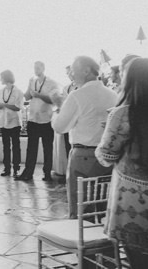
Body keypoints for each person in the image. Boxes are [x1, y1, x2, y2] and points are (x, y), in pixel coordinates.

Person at [95, 58, 148, 269]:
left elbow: (106, 156)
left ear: (130, 80)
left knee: (141, 261)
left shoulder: (124, 113)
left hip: (135, 200)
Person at [52, 56, 116, 218]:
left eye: (73, 71)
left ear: (87, 71)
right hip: (108, 156)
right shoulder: (113, 95)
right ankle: (103, 240)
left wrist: (59, 105)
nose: (71, 75)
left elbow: (60, 127)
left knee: (81, 207)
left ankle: (82, 239)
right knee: (105, 205)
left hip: (84, 158)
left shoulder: (77, 96)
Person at [16, 61, 60, 182]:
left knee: (47, 148)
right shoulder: (32, 80)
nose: (36, 69)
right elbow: (28, 96)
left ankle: (47, 174)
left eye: (38, 67)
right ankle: (28, 173)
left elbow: (53, 100)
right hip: (33, 119)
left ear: (43, 68)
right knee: (31, 148)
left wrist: (39, 95)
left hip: (46, 120)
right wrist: (22, 93)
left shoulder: (52, 82)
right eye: (34, 67)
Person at [0, 70, 24, 177]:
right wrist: (0, 105)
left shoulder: (18, 91)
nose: (0, 80)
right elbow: (1, 105)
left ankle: (16, 168)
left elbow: (18, 107)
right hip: (4, 121)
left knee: (16, 146)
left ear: (6, 78)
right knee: (5, 146)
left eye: (1, 77)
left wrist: (4, 104)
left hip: (14, 122)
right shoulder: (1, 91)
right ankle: (6, 168)